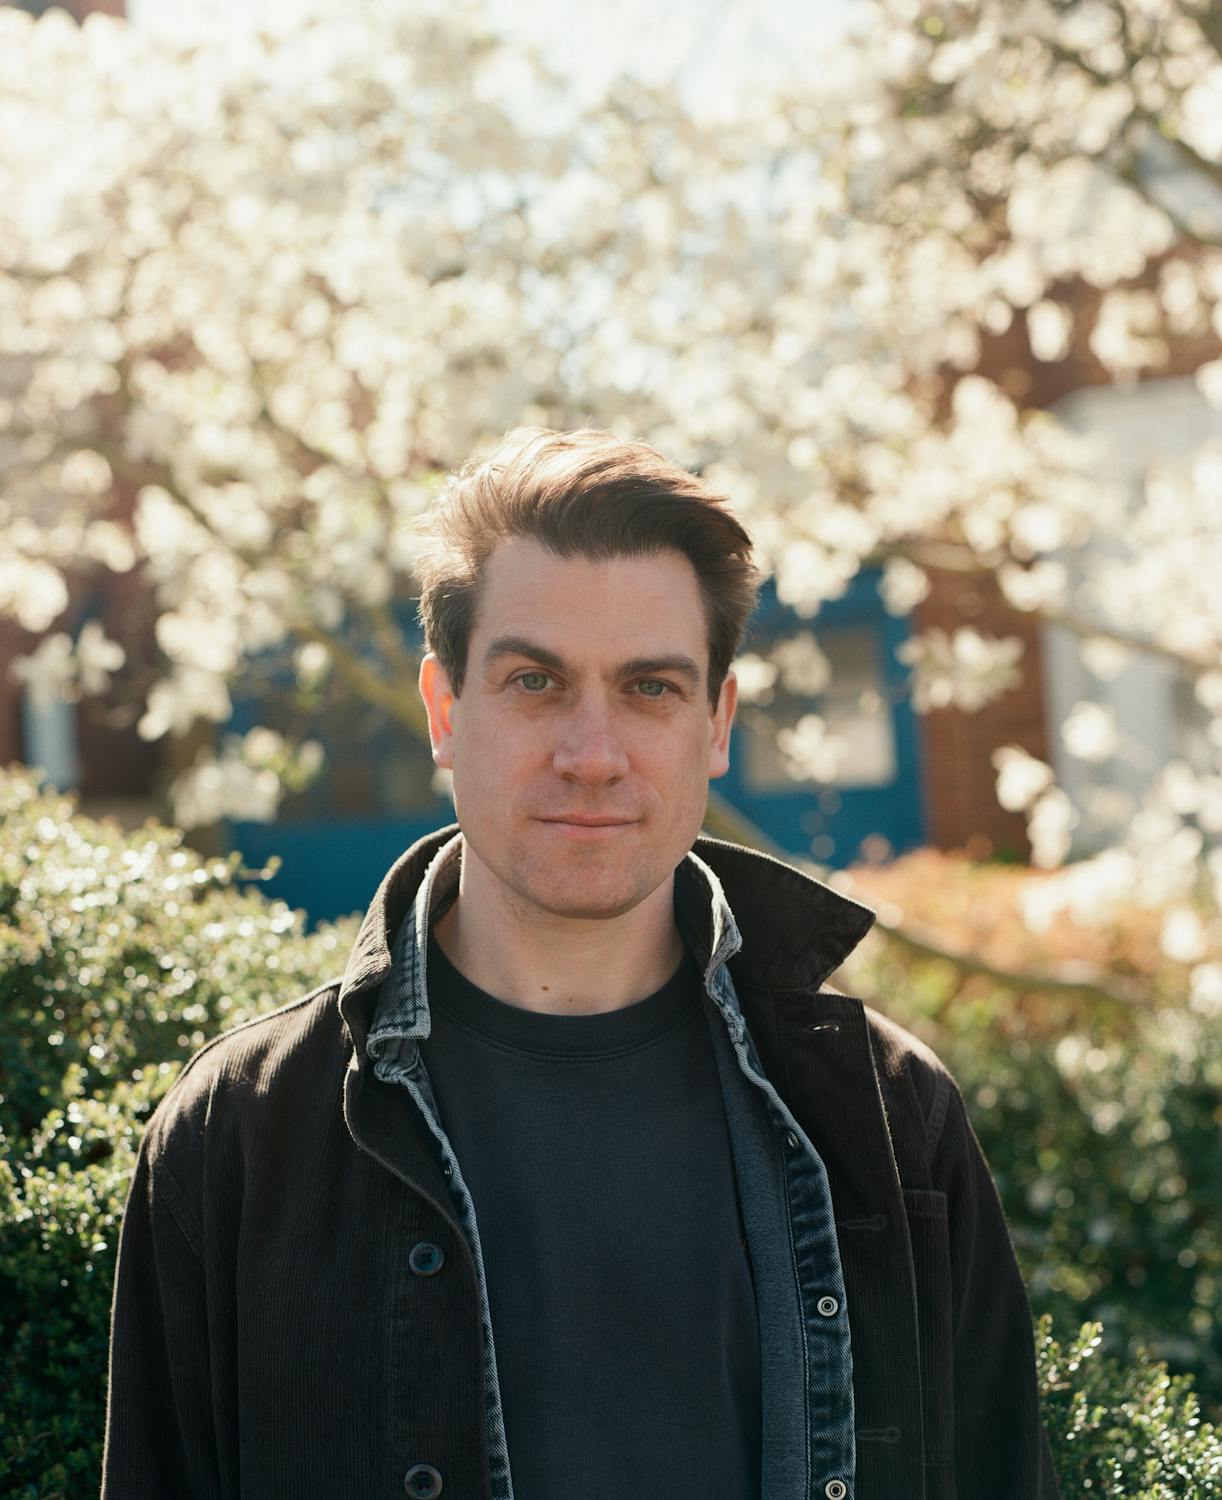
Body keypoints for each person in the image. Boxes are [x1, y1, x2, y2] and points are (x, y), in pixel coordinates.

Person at [101, 427, 1060, 1500]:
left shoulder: (887, 1121)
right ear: (444, 711)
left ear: (717, 724)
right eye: (535, 682)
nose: (591, 755)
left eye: (649, 689)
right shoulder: (240, 1133)